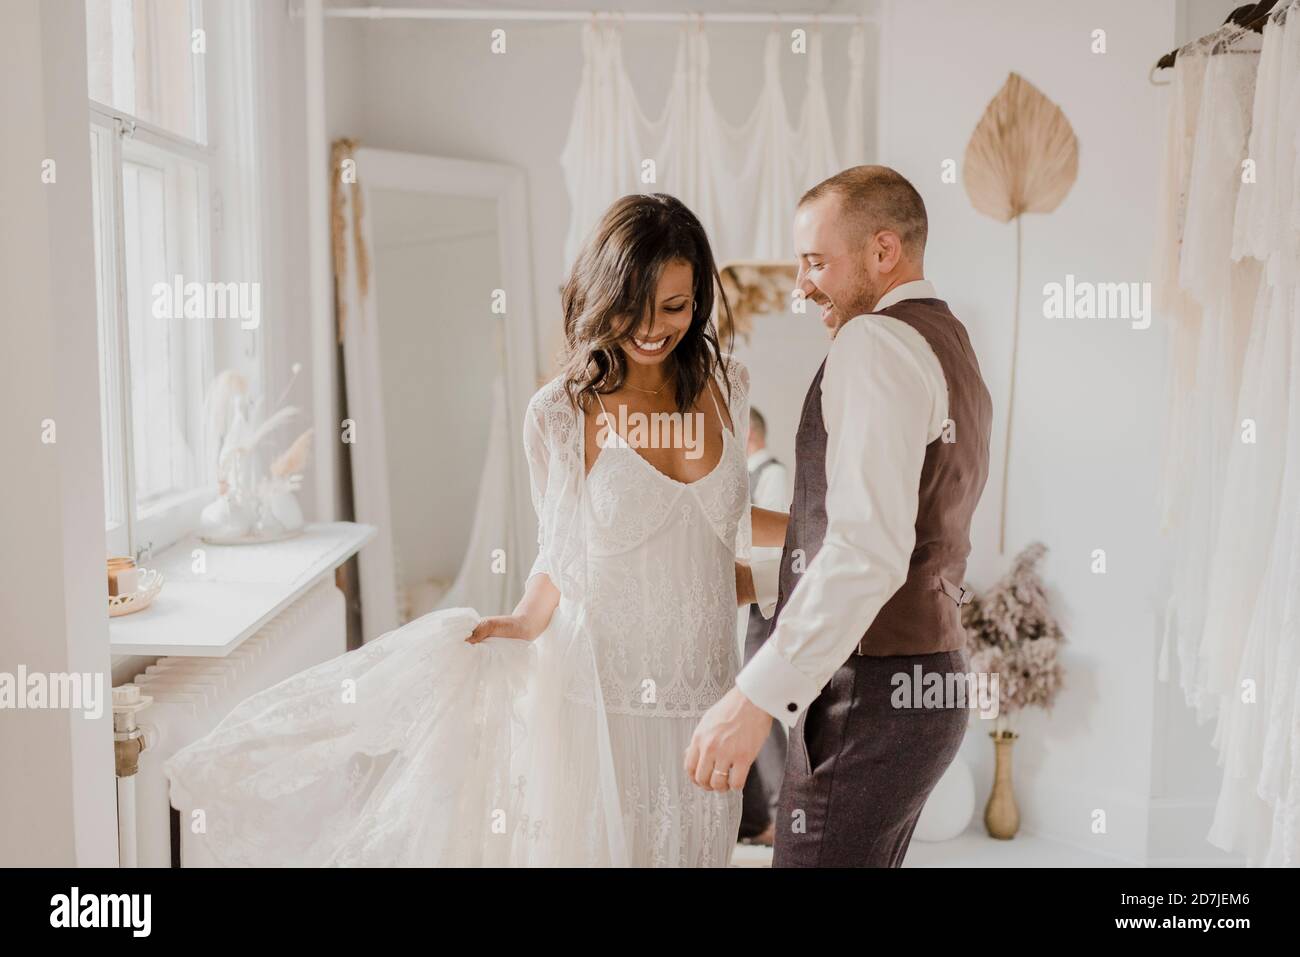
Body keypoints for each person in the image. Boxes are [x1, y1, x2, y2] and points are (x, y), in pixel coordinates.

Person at [164, 192, 785, 867]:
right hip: (603, 696)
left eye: (676, 305)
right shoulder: (559, 412)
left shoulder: (726, 380)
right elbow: (564, 546)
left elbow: (715, 518)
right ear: (605, 294)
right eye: (636, 305)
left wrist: (828, 528)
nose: (655, 327)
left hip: (707, 693)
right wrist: (523, 618)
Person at [686, 165, 993, 868]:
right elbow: (884, 527)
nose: (801, 285)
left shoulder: (871, 343)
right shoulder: (951, 342)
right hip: (930, 680)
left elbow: (865, 550)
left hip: (872, 693)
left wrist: (752, 695)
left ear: (884, 251)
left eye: (816, 261)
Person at [737, 407, 789, 845]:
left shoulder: (771, 474)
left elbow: (777, 547)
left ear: (749, 431)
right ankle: (752, 818)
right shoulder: (741, 476)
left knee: (760, 702)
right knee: (740, 700)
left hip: (759, 608)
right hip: (738, 613)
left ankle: (780, 814)